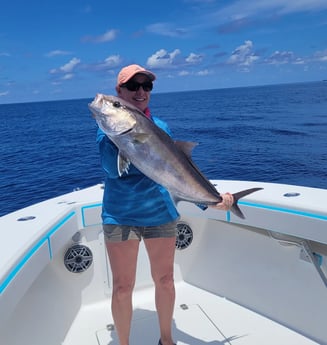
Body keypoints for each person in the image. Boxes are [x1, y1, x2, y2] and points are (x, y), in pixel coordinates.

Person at [96, 64, 234, 345]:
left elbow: (177, 175)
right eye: (133, 86)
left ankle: (166, 341)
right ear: (119, 91)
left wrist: (212, 202)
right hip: (120, 215)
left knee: (166, 280)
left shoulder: (160, 127)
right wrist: (119, 136)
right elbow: (113, 170)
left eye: (146, 86)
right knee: (123, 287)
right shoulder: (108, 131)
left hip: (160, 212)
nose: (140, 91)